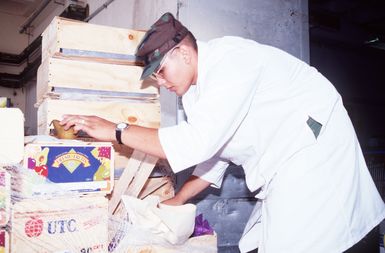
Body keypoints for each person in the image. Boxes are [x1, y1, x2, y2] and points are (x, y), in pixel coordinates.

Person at [60, 12, 385, 253]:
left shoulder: (231, 63)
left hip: (313, 151)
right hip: (285, 166)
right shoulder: (198, 93)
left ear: (184, 54)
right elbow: (215, 155)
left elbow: (197, 143)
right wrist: (179, 199)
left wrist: (116, 130)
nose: (161, 83)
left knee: (312, 240)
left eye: (160, 72)